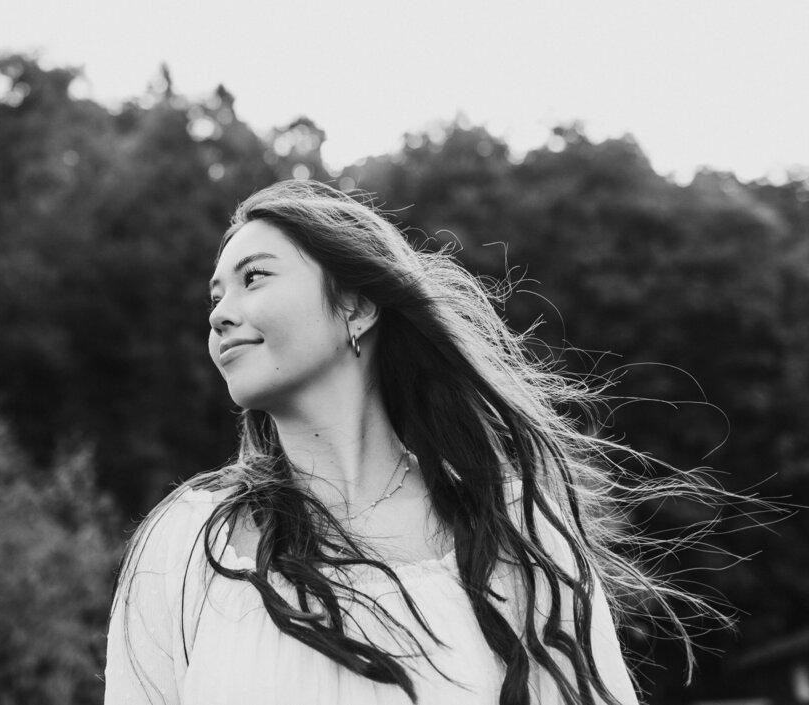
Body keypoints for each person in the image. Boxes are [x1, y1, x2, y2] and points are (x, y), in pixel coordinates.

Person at [104, 179, 697, 704]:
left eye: (253, 277)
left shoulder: (514, 529)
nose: (219, 315)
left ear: (356, 306)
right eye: (214, 297)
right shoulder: (184, 541)